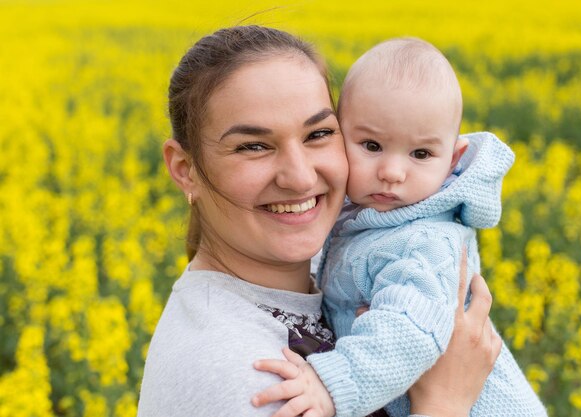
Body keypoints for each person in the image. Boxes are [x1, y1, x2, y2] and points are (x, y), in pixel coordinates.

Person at [136, 26, 502, 417]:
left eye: (319, 133)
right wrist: (444, 403)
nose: (301, 177)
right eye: (254, 146)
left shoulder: (337, 259)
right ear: (184, 168)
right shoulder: (245, 376)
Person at [252, 38, 547, 417]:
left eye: (421, 154)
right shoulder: (370, 217)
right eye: (371, 145)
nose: (392, 172)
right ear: (338, 136)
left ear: (452, 158)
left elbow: (409, 331)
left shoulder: (424, 242)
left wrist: (331, 385)